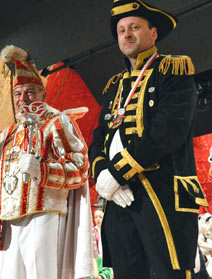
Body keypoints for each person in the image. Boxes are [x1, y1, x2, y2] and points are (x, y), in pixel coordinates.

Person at [89, 1, 208, 278]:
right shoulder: (114, 86)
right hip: (119, 199)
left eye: (134, 27)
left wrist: (117, 173)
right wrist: (103, 177)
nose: (127, 34)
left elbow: (168, 132)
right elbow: (98, 140)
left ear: (153, 33)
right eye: (121, 30)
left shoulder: (173, 71)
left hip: (162, 194)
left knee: (171, 273)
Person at [0, 45, 94, 279]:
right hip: (9, 220)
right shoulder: (8, 134)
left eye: (30, 92)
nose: (22, 99)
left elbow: (80, 168)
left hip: (44, 213)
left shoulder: (57, 124)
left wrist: (43, 170)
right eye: (18, 94)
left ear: (42, 94)